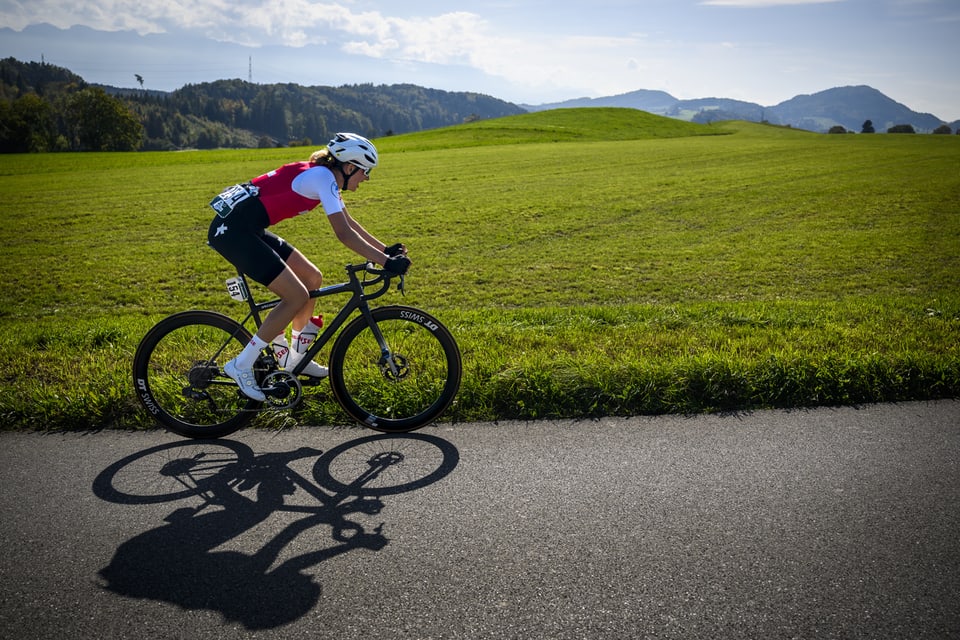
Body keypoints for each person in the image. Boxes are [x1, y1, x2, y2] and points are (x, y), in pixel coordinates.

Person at [207, 133, 411, 401]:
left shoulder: (325, 175)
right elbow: (344, 235)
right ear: (349, 167)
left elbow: (348, 223)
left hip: (248, 229)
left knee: (312, 278)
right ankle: (241, 364)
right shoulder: (323, 178)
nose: (367, 178)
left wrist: (384, 250)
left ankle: (294, 359)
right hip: (233, 233)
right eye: (365, 171)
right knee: (296, 295)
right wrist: (386, 262)